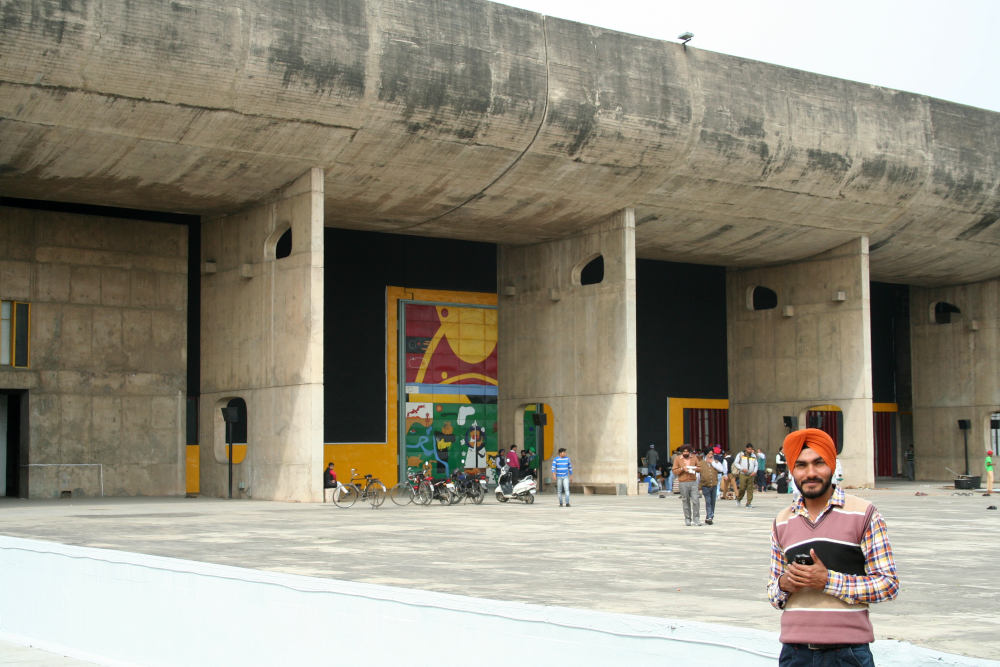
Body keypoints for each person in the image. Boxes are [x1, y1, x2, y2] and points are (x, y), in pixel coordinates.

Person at [768, 428, 899, 666]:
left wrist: (827, 581)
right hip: (795, 655)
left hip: (847, 654)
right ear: (792, 471)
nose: (810, 473)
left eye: (819, 463)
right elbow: (773, 593)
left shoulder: (865, 514)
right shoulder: (782, 521)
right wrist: (784, 585)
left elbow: (888, 585)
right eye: (801, 466)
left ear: (832, 465)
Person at [672, 445, 701, 526]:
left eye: (687, 452)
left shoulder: (694, 457)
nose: (686, 453)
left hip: (693, 481)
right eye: (684, 452)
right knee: (685, 501)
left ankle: (696, 518)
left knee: (695, 500)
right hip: (683, 482)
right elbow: (674, 470)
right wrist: (682, 469)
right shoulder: (678, 459)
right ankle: (687, 518)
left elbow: (699, 468)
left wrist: (694, 468)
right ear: (682, 452)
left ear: (690, 452)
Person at [698, 448, 723, 524]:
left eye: (712, 454)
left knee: (713, 502)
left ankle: (710, 516)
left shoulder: (716, 462)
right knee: (708, 501)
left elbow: (721, 469)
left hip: (714, 485)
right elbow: (698, 475)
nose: (710, 455)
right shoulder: (701, 463)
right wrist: (698, 486)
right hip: (705, 485)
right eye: (709, 454)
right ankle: (709, 516)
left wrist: (713, 463)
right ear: (706, 454)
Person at [733, 442, 759, 508]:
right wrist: (741, 468)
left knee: (750, 489)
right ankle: (738, 499)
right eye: (749, 449)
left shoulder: (753, 456)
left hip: (751, 474)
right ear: (746, 449)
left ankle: (748, 503)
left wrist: (755, 471)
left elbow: (756, 465)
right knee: (742, 488)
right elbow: (736, 463)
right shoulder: (741, 454)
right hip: (743, 474)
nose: (750, 451)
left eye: (751, 449)